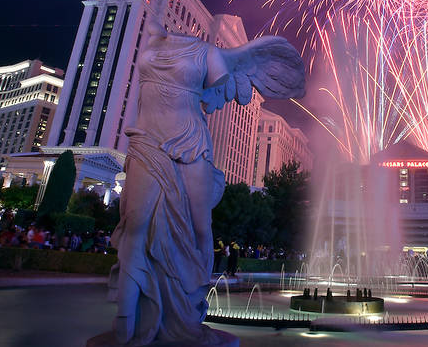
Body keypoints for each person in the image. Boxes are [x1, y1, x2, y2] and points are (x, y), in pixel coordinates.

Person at [108, 18, 304, 345]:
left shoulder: (210, 54)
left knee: (200, 227)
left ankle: (190, 304)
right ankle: (126, 320)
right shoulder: (155, 35)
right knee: (135, 224)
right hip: (146, 141)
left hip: (191, 143)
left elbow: (232, 78)